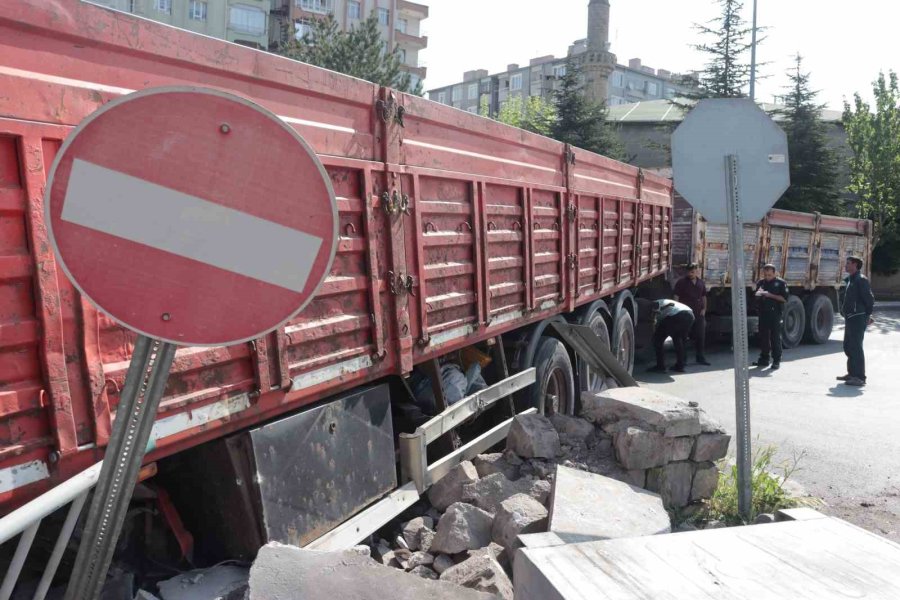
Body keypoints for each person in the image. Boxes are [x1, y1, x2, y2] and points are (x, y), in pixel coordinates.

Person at [838, 256, 875, 387]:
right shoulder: (850, 280)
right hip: (850, 317)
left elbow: (869, 299)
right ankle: (852, 373)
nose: (845, 265)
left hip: (858, 317)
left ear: (855, 265)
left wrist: (867, 315)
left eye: (848, 263)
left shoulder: (861, 280)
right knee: (848, 346)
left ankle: (859, 377)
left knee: (856, 347)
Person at [673, 263, 711, 365]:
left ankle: (700, 357)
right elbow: (676, 297)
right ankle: (683, 359)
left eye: (692, 271)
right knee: (683, 336)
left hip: (699, 313)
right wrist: (677, 310)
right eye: (689, 271)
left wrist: (704, 309)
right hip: (686, 314)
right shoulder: (681, 282)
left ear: (697, 271)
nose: (690, 274)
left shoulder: (700, 283)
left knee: (700, 335)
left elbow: (704, 297)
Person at [753, 264, 789, 370]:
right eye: (765, 274)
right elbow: (756, 295)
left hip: (775, 314)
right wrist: (758, 294)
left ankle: (776, 360)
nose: (767, 277)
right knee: (763, 337)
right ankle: (764, 359)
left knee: (775, 338)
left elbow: (784, 298)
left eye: (769, 275)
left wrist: (770, 295)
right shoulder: (761, 282)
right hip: (763, 313)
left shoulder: (781, 283)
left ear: (774, 273)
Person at [647, 299, 695, 373]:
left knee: (658, 340)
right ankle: (680, 365)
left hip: (677, 315)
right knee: (678, 339)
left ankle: (660, 366)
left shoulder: (654, 303)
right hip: (690, 315)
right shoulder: (664, 301)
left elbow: (654, 320)